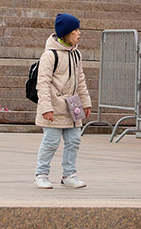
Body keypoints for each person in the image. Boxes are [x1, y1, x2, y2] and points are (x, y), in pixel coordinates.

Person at [34, 13, 92, 189]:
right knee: (51, 142)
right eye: (75, 30)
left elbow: (80, 79)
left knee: (74, 140)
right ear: (66, 33)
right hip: (54, 106)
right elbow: (42, 82)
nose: (79, 33)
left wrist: (86, 101)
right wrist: (46, 107)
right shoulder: (50, 55)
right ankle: (41, 174)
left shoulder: (76, 54)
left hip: (72, 107)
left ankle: (69, 174)